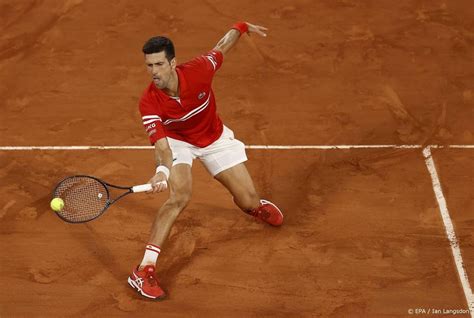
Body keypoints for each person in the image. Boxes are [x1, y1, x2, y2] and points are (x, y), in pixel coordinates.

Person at [127, 21, 284, 300]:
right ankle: (144, 269)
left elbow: (222, 46)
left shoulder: (200, 70)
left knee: (249, 201)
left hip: (214, 137)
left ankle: (254, 207)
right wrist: (162, 170)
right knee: (179, 196)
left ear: (173, 63)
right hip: (179, 143)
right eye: (149, 66)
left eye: (159, 65)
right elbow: (162, 146)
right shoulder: (149, 102)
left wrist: (242, 26)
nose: (153, 72)